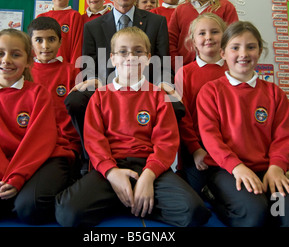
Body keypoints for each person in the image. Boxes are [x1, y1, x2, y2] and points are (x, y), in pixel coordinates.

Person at [55, 27, 210, 227]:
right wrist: (112, 173)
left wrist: (148, 177)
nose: (131, 57)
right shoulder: (100, 96)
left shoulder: (158, 95)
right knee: (67, 213)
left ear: (148, 58)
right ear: (112, 58)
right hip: (111, 168)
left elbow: (166, 142)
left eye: (138, 51)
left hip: (150, 168)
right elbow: (94, 141)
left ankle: (132, 199)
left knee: (195, 213)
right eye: (123, 51)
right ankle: (130, 198)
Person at [196, 21, 289, 227]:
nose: (244, 53)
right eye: (235, 47)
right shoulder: (211, 91)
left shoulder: (274, 93)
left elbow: (284, 137)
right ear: (223, 53)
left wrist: (276, 168)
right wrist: (237, 167)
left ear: (259, 51)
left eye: (251, 47)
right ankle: (212, 196)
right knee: (255, 212)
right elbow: (210, 138)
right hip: (228, 171)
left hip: (268, 171)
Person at [0, 29, 75, 225]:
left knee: (30, 208)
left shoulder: (38, 93)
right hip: (5, 166)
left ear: (29, 61)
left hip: (46, 159)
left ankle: (26, 197)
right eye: (0, 53)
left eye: (16, 54)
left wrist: (17, 178)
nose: (7, 60)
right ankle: (13, 198)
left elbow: (39, 141)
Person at [65, 0, 180, 160]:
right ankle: (91, 157)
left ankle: (157, 158)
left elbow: (163, 62)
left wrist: (164, 83)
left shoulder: (156, 22)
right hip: (105, 86)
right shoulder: (93, 26)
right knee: (75, 100)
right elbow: (89, 63)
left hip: (145, 88)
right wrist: (91, 79)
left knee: (175, 103)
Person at [174, 14, 228, 192]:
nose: (209, 37)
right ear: (193, 42)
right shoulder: (184, 73)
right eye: (202, 33)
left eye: (215, 32)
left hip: (231, 148)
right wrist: (195, 149)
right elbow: (184, 118)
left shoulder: (234, 70)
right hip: (197, 150)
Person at [28, 17, 83, 178]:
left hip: (63, 147)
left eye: (51, 39)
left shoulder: (72, 72)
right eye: (39, 40)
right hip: (30, 146)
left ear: (60, 42)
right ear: (30, 43)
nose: (45, 46)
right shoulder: (24, 73)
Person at [168, 0, 239, 71]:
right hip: (185, 70)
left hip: (219, 70)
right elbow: (171, 42)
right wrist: (178, 68)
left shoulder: (226, 7)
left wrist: (226, 65)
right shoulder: (180, 9)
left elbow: (234, 40)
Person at [37, 0, 84, 65]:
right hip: (44, 68)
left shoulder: (74, 16)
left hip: (66, 70)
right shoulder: (41, 17)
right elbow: (36, 46)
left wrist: (73, 71)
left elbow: (77, 47)